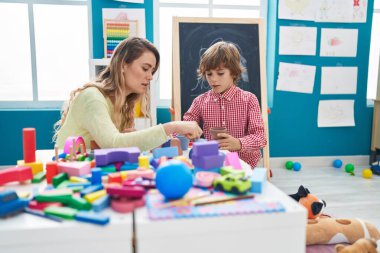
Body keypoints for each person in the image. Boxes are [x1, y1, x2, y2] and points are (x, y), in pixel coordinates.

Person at [54, 37, 202, 152]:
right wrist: (173, 127)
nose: (150, 77)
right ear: (123, 65)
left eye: (152, 71)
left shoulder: (122, 104)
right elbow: (113, 143)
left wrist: (135, 139)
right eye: (145, 68)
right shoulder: (93, 97)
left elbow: (118, 144)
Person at [183, 41, 267, 168]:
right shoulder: (200, 101)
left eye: (220, 73)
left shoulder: (249, 99)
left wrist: (238, 143)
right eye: (209, 74)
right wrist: (186, 131)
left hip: (247, 165)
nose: (213, 79)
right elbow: (185, 126)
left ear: (233, 72)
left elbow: (260, 137)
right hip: (214, 164)